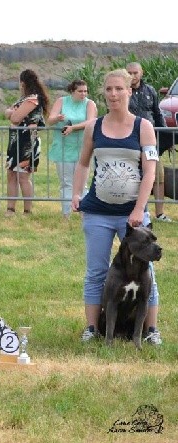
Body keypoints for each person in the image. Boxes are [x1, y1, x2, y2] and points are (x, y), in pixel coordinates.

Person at [72, 69, 162, 345]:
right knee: (96, 272)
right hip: (98, 212)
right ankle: (92, 329)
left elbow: (150, 172)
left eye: (119, 89)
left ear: (129, 91)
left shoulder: (143, 127)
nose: (113, 94)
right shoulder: (93, 127)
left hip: (132, 217)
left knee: (147, 273)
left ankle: (150, 331)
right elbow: (84, 163)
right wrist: (77, 193)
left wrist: (139, 209)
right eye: (109, 89)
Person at [127, 61, 173, 222]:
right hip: (130, 139)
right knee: (133, 176)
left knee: (157, 175)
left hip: (151, 141)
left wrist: (168, 137)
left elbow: (158, 114)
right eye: (129, 73)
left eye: (135, 73)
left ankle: (159, 213)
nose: (132, 76)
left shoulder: (150, 90)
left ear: (142, 73)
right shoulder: (123, 91)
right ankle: (135, 209)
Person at [47, 79, 98, 219]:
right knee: (66, 182)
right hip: (63, 148)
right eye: (80, 91)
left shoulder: (90, 104)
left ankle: (85, 212)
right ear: (72, 91)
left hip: (83, 147)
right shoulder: (61, 101)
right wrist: (57, 118)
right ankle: (66, 214)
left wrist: (73, 128)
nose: (83, 94)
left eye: (85, 91)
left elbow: (91, 121)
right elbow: (50, 120)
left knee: (83, 183)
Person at [4, 69, 50, 216]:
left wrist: (12, 114)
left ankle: (27, 210)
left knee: (23, 176)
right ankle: (10, 208)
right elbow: (9, 113)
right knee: (11, 174)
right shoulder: (23, 99)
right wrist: (12, 113)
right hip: (15, 141)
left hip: (27, 143)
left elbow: (15, 118)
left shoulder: (33, 99)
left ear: (22, 83)